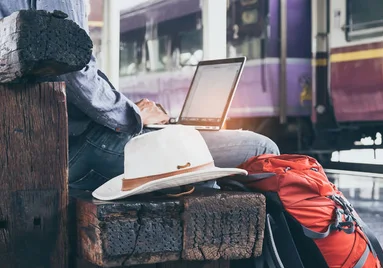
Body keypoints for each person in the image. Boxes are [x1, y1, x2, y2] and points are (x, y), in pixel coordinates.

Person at [0, 0, 279, 191]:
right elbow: (71, 68)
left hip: (26, 150)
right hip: (67, 152)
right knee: (261, 147)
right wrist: (130, 113)